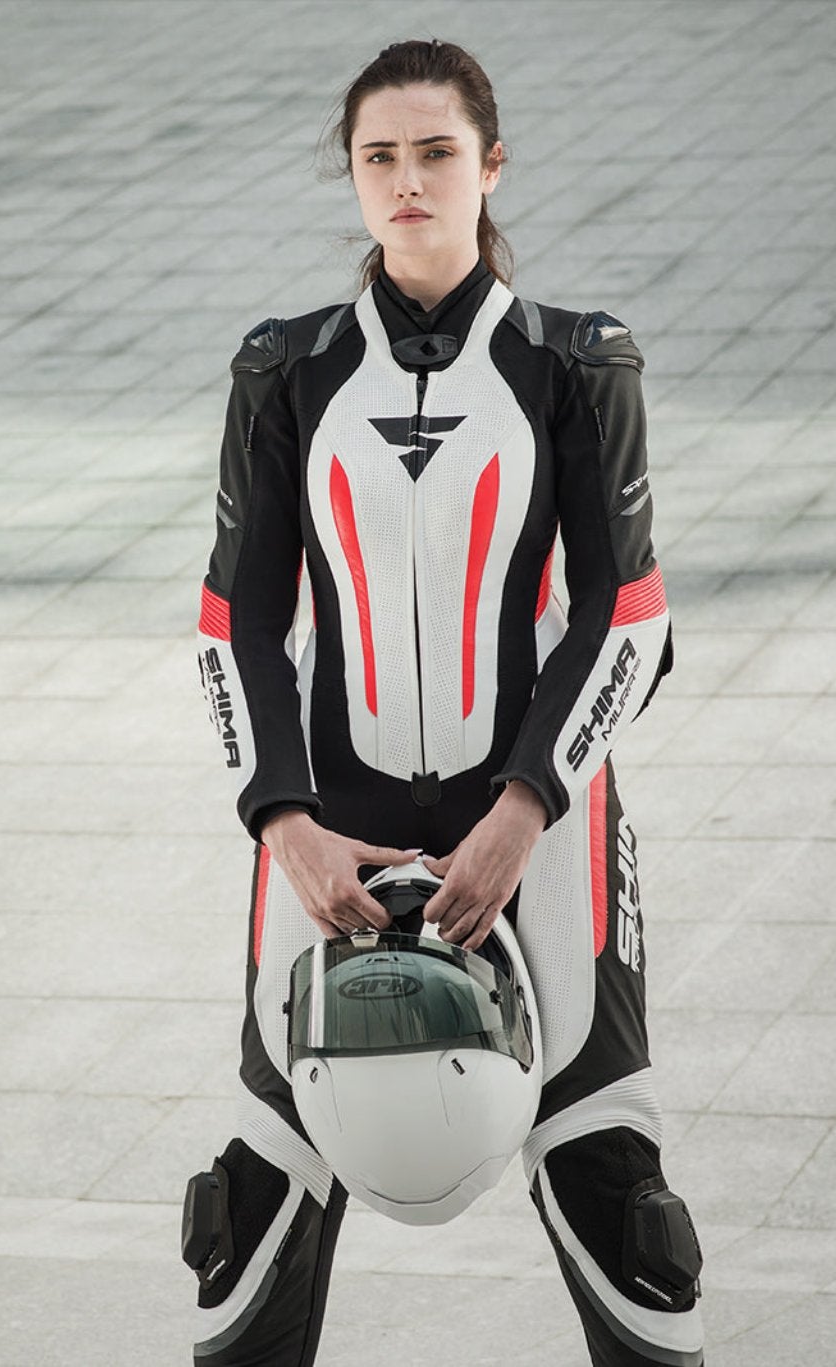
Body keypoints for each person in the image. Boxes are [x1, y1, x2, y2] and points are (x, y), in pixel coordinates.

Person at [184, 38, 706, 1367]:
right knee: (247, 1216)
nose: (407, 181)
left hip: (541, 825)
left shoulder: (578, 362)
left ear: (490, 165)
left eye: (435, 152)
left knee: (621, 1210)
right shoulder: (283, 370)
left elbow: (627, 619)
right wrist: (281, 820)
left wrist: (524, 813)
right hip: (324, 826)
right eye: (380, 156)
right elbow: (234, 621)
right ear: (352, 175)